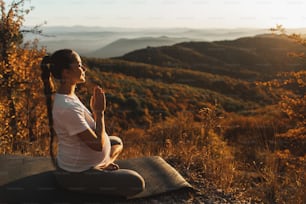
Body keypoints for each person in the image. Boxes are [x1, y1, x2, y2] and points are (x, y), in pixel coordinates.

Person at [40, 49, 145, 197]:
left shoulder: (69, 96)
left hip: (81, 163)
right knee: (136, 183)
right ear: (66, 72)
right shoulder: (67, 107)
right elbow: (97, 145)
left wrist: (95, 112)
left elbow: (92, 135)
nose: (84, 69)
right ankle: (98, 169)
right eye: (79, 65)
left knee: (117, 142)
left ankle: (103, 164)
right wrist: (99, 112)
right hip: (75, 175)